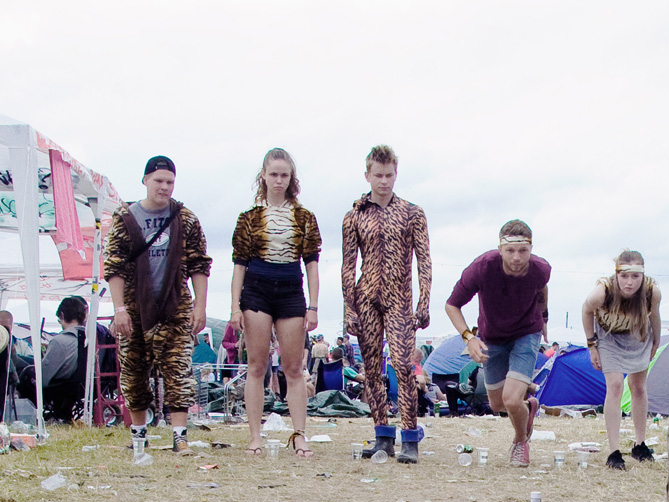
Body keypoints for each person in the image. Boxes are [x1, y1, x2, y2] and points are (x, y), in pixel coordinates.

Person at [105, 155, 212, 455]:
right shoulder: (125, 216)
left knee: (178, 369)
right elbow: (113, 265)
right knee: (134, 369)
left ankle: (180, 435)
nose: (164, 187)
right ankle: (139, 434)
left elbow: (199, 265)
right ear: (145, 181)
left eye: (169, 182)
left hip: (174, 305)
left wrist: (199, 306)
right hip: (133, 305)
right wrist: (119, 309)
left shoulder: (185, 217)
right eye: (159, 181)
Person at [342, 144, 432, 464]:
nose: (383, 181)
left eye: (389, 175)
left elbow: (424, 260)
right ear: (367, 175)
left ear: (396, 174)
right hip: (366, 296)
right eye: (378, 175)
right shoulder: (354, 215)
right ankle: (383, 436)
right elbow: (347, 265)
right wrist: (348, 308)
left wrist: (424, 301)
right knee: (371, 370)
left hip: (399, 299)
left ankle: (410, 437)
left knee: (404, 366)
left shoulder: (412, 213)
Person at [230, 148, 321, 458]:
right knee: (256, 366)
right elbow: (238, 266)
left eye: (284, 175)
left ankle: (299, 436)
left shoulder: (305, 218)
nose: (279, 180)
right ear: (264, 176)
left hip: (291, 290)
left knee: (294, 368)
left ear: (291, 178)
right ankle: (255, 436)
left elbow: (311, 265)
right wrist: (234, 308)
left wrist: (314, 306)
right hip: (256, 289)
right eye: (274, 174)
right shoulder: (249, 218)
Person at [444, 219, 549, 467]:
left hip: (526, 333)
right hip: (492, 336)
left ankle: (520, 442)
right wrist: (469, 338)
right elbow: (452, 305)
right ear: (500, 248)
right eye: (510, 250)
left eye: (523, 250)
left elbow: (542, 289)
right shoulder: (482, 268)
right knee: (497, 403)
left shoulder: (541, 269)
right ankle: (528, 405)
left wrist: (544, 317)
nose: (516, 257)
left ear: (531, 249)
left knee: (511, 401)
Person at [581, 249, 662, 469]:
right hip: (609, 336)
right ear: (616, 274)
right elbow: (586, 311)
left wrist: (656, 340)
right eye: (624, 276)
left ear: (642, 275)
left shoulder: (651, 292)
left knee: (638, 386)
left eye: (635, 276)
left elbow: (654, 313)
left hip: (637, 333)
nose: (629, 282)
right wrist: (592, 346)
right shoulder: (602, 292)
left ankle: (640, 444)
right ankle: (614, 451)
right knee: (615, 386)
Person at [40, 297, 88, 422]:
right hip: (83, 388)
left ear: (62, 315)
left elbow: (43, 379)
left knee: (26, 377)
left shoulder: (59, 341)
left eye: (59, 319)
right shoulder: (91, 339)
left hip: (61, 388)